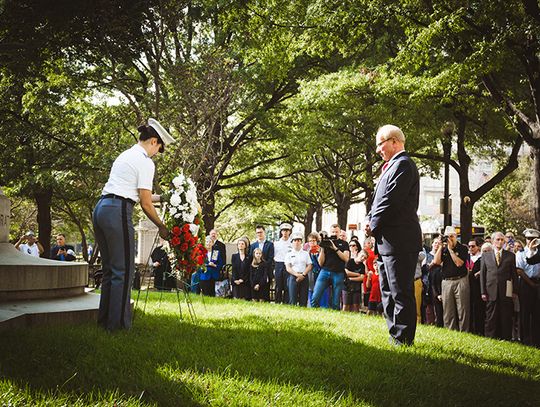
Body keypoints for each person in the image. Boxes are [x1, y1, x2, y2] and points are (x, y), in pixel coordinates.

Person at [92, 118, 174, 331]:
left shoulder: (126, 155)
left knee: (110, 270)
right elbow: (145, 203)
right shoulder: (146, 161)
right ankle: (118, 327)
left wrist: (167, 197)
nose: (157, 153)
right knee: (125, 271)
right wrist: (162, 226)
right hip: (118, 211)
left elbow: (140, 194)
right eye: (159, 149)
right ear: (154, 141)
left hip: (101, 208)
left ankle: (104, 323)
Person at [367, 124, 422, 346]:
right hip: (387, 241)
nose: (378, 149)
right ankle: (394, 336)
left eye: (380, 144)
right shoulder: (389, 168)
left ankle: (404, 339)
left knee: (400, 292)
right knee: (388, 291)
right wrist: (368, 219)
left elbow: (391, 201)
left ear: (394, 142)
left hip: (401, 241)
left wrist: (373, 224)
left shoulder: (404, 165)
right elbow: (377, 202)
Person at [480, 231, 518, 340]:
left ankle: (506, 338)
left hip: (505, 290)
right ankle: (490, 337)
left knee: (506, 316)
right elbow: (483, 275)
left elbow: (514, 275)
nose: (500, 241)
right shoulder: (486, 255)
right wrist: (483, 292)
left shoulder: (510, 256)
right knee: (490, 316)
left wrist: (515, 291)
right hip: (490, 290)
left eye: (502, 240)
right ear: (492, 241)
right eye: (498, 239)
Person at [433, 226, 470, 332]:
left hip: (460, 280)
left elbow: (459, 263)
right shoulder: (443, 249)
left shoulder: (462, 248)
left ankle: (464, 331)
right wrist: (440, 247)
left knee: (462, 309)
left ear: (456, 236)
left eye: (452, 236)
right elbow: (436, 262)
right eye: (447, 237)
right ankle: (450, 331)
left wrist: (450, 250)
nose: (450, 239)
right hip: (447, 282)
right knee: (448, 310)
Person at [310, 224, 350, 310]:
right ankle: (314, 315)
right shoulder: (325, 243)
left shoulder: (344, 243)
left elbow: (346, 258)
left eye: (336, 232)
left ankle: (335, 318)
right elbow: (320, 263)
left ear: (340, 233)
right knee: (315, 297)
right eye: (333, 232)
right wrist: (323, 248)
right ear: (330, 232)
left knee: (336, 301)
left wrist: (335, 248)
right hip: (325, 271)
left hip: (338, 273)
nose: (334, 233)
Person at [516, 228, 540, 347]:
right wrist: (531, 284)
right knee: (525, 313)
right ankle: (525, 340)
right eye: (528, 238)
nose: (530, 241)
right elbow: (519, 271)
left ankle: (536, 340)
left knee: (537, 313)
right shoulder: (521, 253)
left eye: (533, 239)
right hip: (526, 284)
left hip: (538, 282)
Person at [285, 232, 312, 306]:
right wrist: (297, 275)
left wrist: (303, 275)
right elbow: (288, 267)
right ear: (292, 242)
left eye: (298, 240)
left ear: (301, 242)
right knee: (292, 299)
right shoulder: (289, 254)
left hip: (304, 276)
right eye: (295, 240)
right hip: (293, 277)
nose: (297, 242)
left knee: (303, 299)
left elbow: (309, 265)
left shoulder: (305, 253)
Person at [250, 225, 274, 301]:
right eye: (257, 233)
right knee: (255, 294)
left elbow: (270, 259)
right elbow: (251, 258)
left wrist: (262, 266)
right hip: (255, 274)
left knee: (264, 295)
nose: (259, 234)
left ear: (264, 232)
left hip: (265, 272)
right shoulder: (253, 245)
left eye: (261, 232)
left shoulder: (270, 244)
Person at [306, 232, 330, 308]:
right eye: (310, 241)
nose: (312, 243)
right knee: (311, 292)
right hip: (311, 275)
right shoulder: (307, 251)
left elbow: (321, 263)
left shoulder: (321, 250)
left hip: (321, 274)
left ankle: (324, 307)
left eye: (314, 240)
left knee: (322, 292)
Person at [467, 237, 485, 335]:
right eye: (469, 246)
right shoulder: (466, 258)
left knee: (478, 310)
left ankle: (479, 330)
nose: (471, 248)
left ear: (478, 247)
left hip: (478, 288)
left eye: (473, 246)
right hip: (467, 287)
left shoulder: (482, 258)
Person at [342, 244, 366, 313]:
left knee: (356, 306)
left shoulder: (362, 266)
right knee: (346, 305)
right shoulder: (350, 261)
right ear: (358, 254)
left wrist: (351, 278)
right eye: (362, 256)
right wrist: (357, 274)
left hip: (356, 287)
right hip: (346, 286)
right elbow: (346, 272)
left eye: (364, 258)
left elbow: (362, 277)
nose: (363, 258)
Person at [274, 223, 293, 304]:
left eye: (287, 231)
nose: (285, 232)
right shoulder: (276, 243)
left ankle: (286, 302)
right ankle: (277, 302)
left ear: (290, 232)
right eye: (283, 231)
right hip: (279, 264)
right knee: (278, 285)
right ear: (281, 232)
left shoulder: (292, 243)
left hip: (288, 265)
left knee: (287, 286)